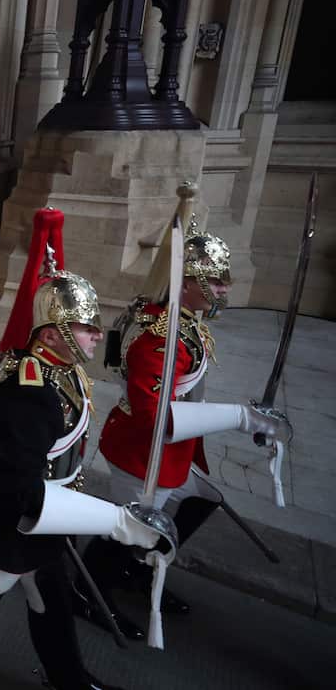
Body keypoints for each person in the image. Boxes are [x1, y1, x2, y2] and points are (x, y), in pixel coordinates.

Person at [0, 209, 174, 690]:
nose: (98, 335)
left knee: (52, 601)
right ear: (52, 334)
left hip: (51, 512)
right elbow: (23, 486)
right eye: (87, 328)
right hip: (6, 518)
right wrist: (116, 521)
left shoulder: (63, 367)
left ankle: (69, 679)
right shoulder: (29, 391)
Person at [81, 190, 289, 639]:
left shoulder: (188, 324)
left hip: (173, 448)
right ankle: (90, 586)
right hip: (141, 447)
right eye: (215, 282)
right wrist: (239, 417)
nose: (223, 290)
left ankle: (136, 566)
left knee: (201, 499)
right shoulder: (161, 338)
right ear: (189, 283)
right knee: (129, 524)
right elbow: (155, 416)